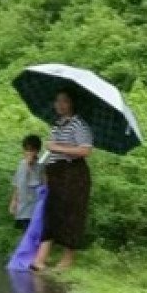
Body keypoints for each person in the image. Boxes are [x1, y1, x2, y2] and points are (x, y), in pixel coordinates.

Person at [31, 89, 93, 272]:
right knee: (51, 213)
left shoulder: (79, 125)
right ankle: (40, 259)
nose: (59, 105)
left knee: (71, 215)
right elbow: (50, 153)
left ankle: (67, 260)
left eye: (64, 101)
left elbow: (85, 151)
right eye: (57, 101)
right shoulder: (56, 125)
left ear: (72, 103)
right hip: (56, 174)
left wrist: (56, 147)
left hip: (73, 174)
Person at [10, 134, 43, 230]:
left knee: (33, 236)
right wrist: (13, 201)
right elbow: (17, 184)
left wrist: (29, 166)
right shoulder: (21, 164)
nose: (28, 153)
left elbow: (35, 183)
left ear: (37, 151)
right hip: (22, 208)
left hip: (34, 209)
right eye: (26, 150)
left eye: (31, 150)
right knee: (25, 234)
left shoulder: (40, 166)